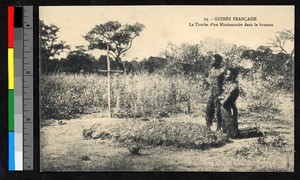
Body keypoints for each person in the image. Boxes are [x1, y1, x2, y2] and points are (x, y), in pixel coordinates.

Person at [205, 54, 226, 131]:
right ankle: (208, 127)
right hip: (211, 92)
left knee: (218, 111)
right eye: (211, 61)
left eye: (213, 61)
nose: (211, 62)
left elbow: (225, 83)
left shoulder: (222, 71)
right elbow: (209, 81)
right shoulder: (211, 70)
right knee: (208, 109)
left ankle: (219, 127)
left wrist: (223, 94)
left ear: (218, 61)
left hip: (219, 93)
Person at [219, 67, 240, 138]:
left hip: (228, 111)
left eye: (227, 74)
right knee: (226, 133)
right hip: (226, 110)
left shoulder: (233, 88)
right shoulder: (229, 86)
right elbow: (221, 97)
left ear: (232, 76)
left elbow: (224, 102)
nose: (226, 75)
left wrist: (221, 99)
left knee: (232, 135)